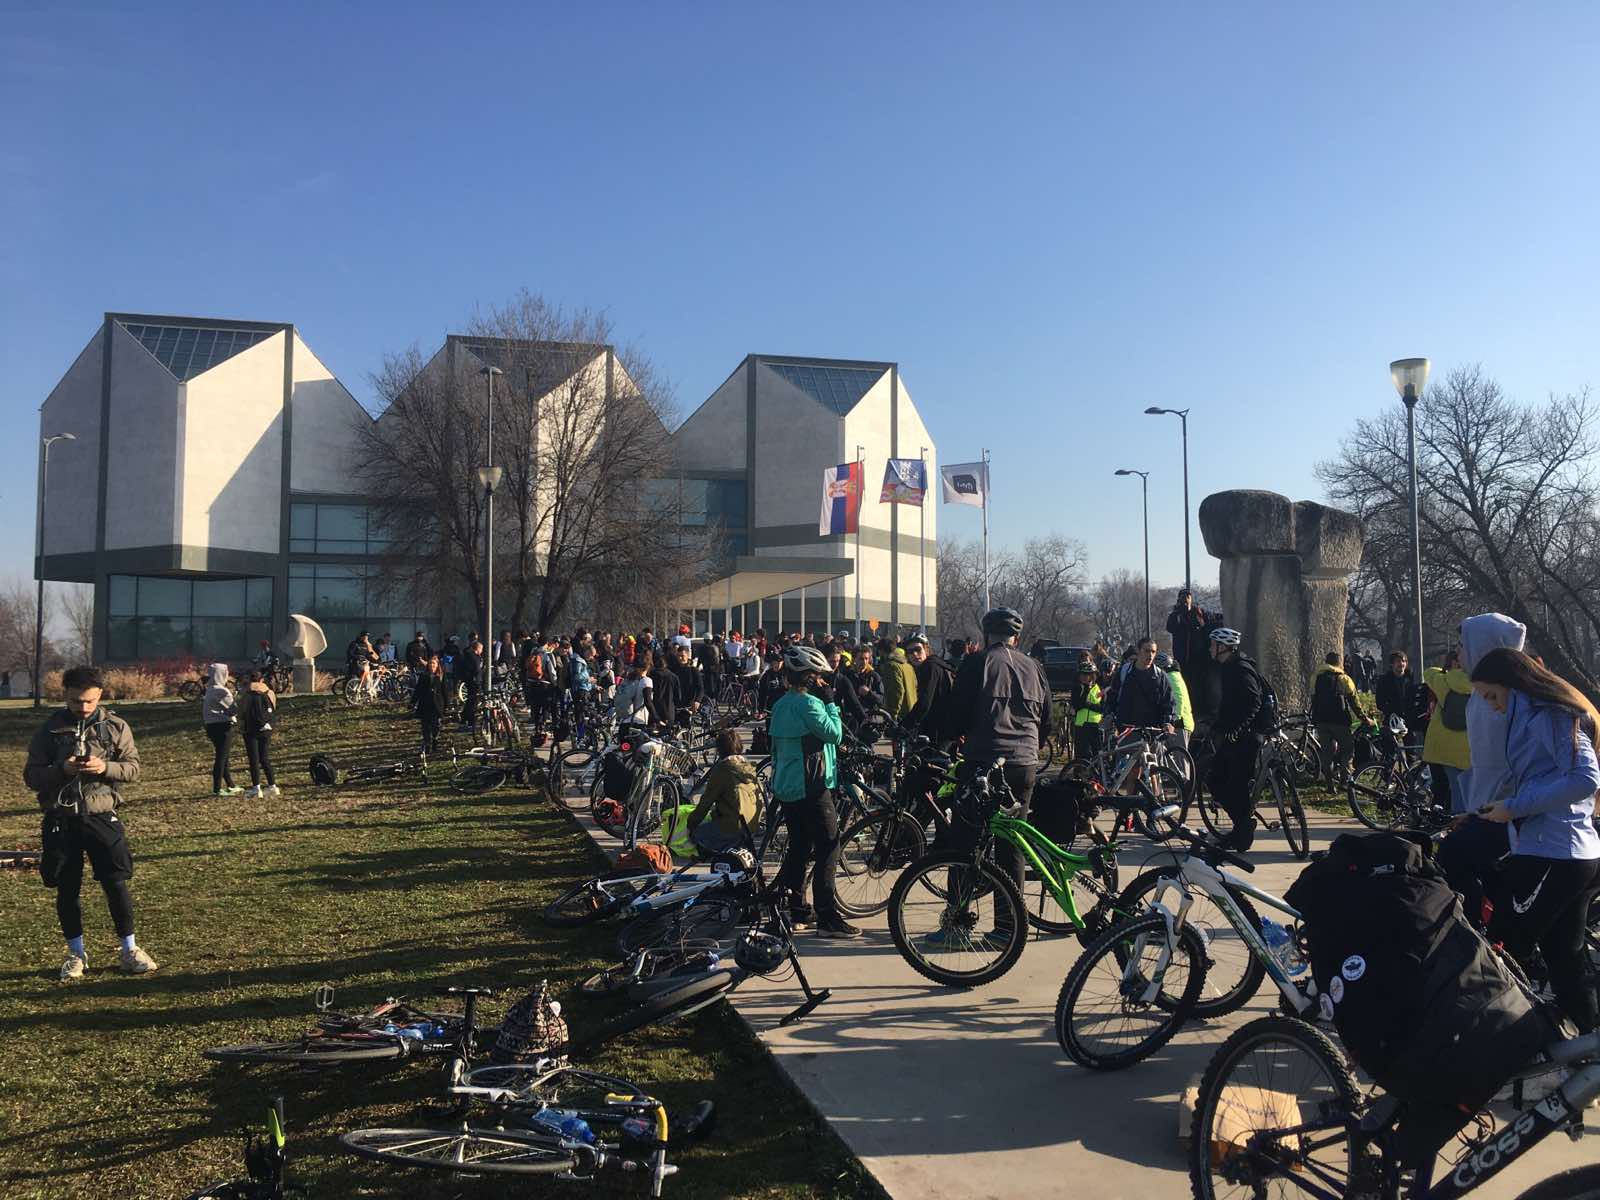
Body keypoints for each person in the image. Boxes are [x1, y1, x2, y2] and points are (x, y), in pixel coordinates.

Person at [1469, 647, 1600, 1032]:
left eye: (1493, 696)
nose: (1493, 707)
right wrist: (1496, 809)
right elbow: (1544, 779)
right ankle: (1587, 1045)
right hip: (1566, 853)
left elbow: (1585, 779)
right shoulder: (1537, 716)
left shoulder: (1548, 715)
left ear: (1513, 685)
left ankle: (1509, 1038)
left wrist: (1514, 807)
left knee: (1504, 946)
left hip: (1555, 854)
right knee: (1563, 956)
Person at [25, 664, 155, 980]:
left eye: (90, 701)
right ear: (65, 696)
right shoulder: (49, 730)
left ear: (100, 696)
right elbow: (32, 776)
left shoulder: (115, 726)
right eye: (76, 701)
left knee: (115, 882)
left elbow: (133, 768)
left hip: (101, 816)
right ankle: (76, 954)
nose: (83, 708)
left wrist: (105, 767)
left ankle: (130, 950)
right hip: (61, 818)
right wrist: (62, 770)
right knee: (66, 887)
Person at [944, 607, 1052, 905]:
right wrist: (1031, 746)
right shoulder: (1035, 667)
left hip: (984, 760)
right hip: (1024, 763)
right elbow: (1048, 721)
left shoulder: (978, 662)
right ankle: (1009, 923)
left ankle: (957, 916)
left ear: (987, 634)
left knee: (965, 842)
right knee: (1012, 846)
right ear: (1016, 637)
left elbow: (956, 713)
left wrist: (956, 736)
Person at [769, 643, 858, 938]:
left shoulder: (781, 704)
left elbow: (774, 748)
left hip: (787, 785)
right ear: (808, 676)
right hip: (813, 786)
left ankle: (798, 911)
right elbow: (835, 733)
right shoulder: (810, 704)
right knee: (829, 847)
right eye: (818, 676)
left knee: (799, 847)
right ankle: (828, 917)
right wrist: (831, 703)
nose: (821, 681)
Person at [1207, 627, 1265, 850]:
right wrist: (1217, 725)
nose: (1210, 648)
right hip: (1235, 735)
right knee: (1216, 780)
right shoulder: (1228, 667)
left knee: (1235, 785)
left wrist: (1238, 728)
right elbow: (1231, 705)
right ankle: (1242, 826)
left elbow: (1254, 702)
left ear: (1223, 647)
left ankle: (1242, 832)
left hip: (1247, 737)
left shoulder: (1240, 668)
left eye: (1213, 644)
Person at [687, 727, 760, 856]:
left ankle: (724, 847)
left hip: (733, 826)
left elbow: (706, 803)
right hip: (752, 826)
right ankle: (736, 844)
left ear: (719, 749)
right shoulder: (749, 768)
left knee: (697, 834)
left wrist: (690, 824)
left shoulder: (723, 769)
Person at [1424, 645, 1472, 813]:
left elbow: (1428, 673)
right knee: (1464, 793)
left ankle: (1439, 821)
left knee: (1443, 789)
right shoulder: (1480, 686)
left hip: (1441, 748)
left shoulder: (1443, 682)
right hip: (1467, 749)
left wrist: (1447, 671)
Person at [1310, 651, 1361, 784]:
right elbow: (1354, 701)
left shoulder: (1316, 677)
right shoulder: (1344, 678)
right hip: (1340, 721)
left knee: (1327, 754)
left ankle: (1329, 783)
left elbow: (1313, 698)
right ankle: (1345, 780)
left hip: (1321, 721)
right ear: (1339, 663)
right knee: (1347, 750)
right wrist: (1363, 717)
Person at [1113, 638, 1178, 733]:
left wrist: (1168, 722)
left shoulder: (1160, 676)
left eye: (1153, 652)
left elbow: (1169, 702)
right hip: (1126, 730)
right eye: (1147, 651)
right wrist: (1110, 716)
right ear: (1138, 651)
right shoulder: (1124, 672)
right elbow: (1112, 696)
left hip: (1152, 731)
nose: (1150, 655)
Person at [201, 663, 242, 797]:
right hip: (223, 726)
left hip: (211, 726)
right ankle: (217, 788)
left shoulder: (210, 689)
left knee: (224, 756)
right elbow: (233, 709)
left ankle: (230, 784)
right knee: (221, 757)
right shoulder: (221, 691)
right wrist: (236, 698)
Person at [905, 633, 956, 742]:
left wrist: (904, 725)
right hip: (947, 727)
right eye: (910, 652)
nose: (914, 654)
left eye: (918, 649)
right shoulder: (937, 664)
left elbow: (925, 702)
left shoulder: (930, 667)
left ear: (926, 649)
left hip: (939, 730)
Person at [239, 670, 279, 799]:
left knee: (254, 760)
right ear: (262, 680)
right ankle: (273, 786)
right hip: (267, 728)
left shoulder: (246, 694)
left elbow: (242, 712)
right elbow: (273, 708)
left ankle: (256, 788)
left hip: (251, 729)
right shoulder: (269, 692)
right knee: (264, 758)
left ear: (249, 680)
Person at [1159, 651, 1194, 757]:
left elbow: (1178, 699)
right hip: (1181, 723)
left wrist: (1173, 721)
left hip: (1179, 724)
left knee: (1179, 759)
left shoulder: (1170, 677)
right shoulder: (1174, 676)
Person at [1164, 588, 1207, 671]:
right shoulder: (1175, 615)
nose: (1186, 599)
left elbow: (1206, 622)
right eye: (1183, 597)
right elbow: (1169, 628)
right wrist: (1178, 614)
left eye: (1188, 597)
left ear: (1191, 599)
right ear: (1179, 599)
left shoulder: (1198, 612)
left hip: (1197, 657)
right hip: (1181, 657)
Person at [1070, 659, 1104, 762]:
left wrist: (1088, 705)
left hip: (1096, 726)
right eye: (1083, 674)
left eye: (1088, 674)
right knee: (1081, 756)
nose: (1085, 677)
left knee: (1097, 755)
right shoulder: (1078, 688)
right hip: (1081, 726)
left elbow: (1102, 708)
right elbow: (1077, 706)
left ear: (1093, 676)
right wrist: (1086, 690)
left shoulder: (1099, 689)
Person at [413, 654, 447, 754]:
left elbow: (445, 691)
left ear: (437, 665)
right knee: (425, 726)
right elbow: (418, 690)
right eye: (430, 663)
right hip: (425, 704)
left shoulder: (441, 676)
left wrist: (447, 705)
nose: (432, 665)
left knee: (436, 725)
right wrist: (413, 702)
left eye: (434, 664)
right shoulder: (423, 676)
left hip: (437, 705)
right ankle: (427, 743)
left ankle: (435, 739)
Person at [879, 638, 918, 725]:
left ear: (881, 651)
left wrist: (892, 715)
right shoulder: (908, 665)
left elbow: (897, 692)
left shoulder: (891, 666)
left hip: (901, 716)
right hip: (912, 712)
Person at [1373, 650, 1413, 720]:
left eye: (1403, 661)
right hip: (1392, 719)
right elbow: (1380, 703)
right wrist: (1391, 713)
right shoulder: (1384, 681)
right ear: (1392, 664)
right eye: (1398, 661)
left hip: (1411, 718)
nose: (1401, 664)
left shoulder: (1412, 678)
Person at [613, 663, 653, 728]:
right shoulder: (645, 681)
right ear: (645, 669)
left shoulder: (627, 681)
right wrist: (657, 719)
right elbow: (648, 702)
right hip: (637, 721)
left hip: (624, 720)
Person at [456, 635, 483, 729]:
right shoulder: (474, 657)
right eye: (481, 649)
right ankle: (470, 720)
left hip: (468, 680)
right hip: (474, 682)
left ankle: (465, 719)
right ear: (478, 649)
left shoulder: (467, 655)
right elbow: (477, 670)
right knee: (473, 702)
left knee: (470, 701)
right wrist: (478, 681)